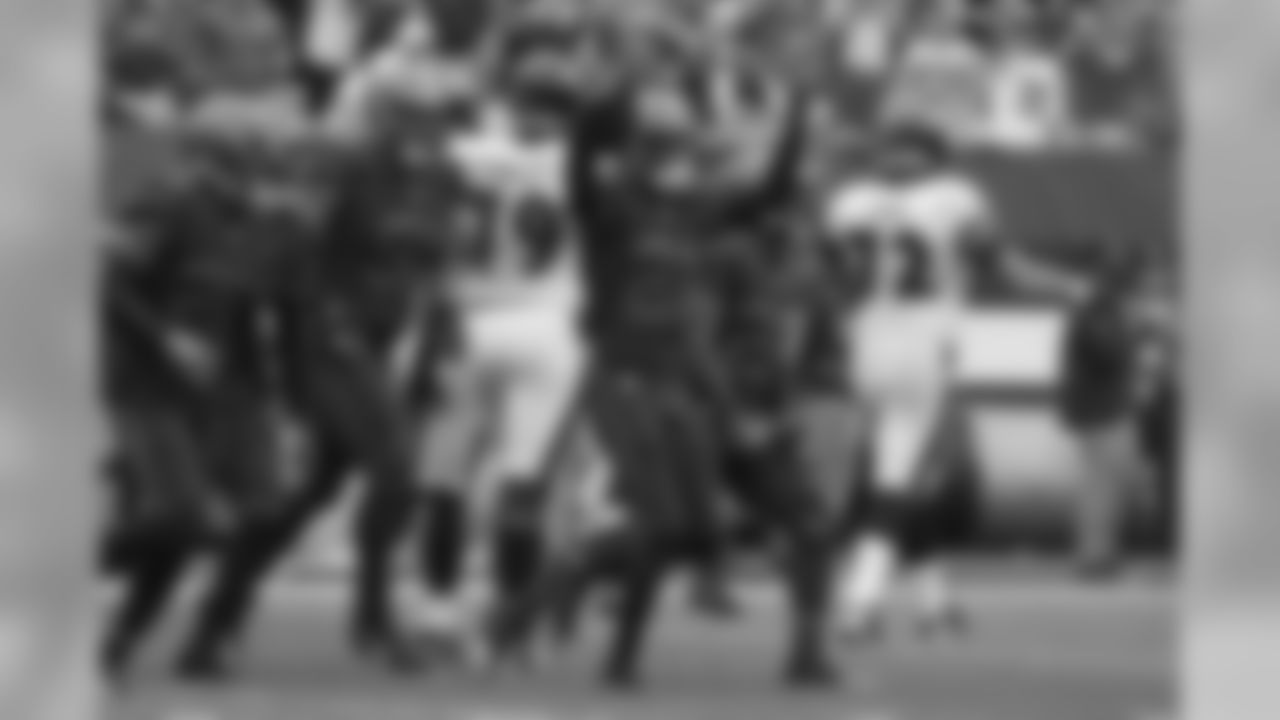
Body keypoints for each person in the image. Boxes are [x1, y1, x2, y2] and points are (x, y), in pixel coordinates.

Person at [1059, 247, 1149, 578]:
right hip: (1103, 411)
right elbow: (1106, 352)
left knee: (1103, 487)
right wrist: (1133, 331)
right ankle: (1094, 557)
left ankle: (1100, 553)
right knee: (1101, 488)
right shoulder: (1098, 310)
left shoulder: (1096, 308)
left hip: (1101, 409)